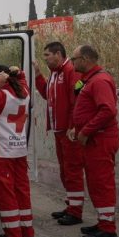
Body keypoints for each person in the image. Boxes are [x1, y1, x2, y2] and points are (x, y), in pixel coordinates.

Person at [67, 45, 119, 237]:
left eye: (74, 59)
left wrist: (86, 131)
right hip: (94, 139)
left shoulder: (99, 81)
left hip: (100, 139)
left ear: (86, 59)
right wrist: (77, 128)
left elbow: (107, 110)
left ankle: (108, 228)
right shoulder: (90, 80)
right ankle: (103, 222)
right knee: (95, 182)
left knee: (102, 183)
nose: (72, 63)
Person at [33, 42, 85, 224]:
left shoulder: (71, 71)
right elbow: (48, 95)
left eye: (47, 55)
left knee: (72, 170)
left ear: (58, 54)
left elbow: (77, 102)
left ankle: (76, 212)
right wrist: (38, 75)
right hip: (59, 131)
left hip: (68, 132)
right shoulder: (55, 74)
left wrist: (73, 126)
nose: (45, 58)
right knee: (65, 170)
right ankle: (71, 205)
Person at [0, 66, 34, 237]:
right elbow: (23, 80)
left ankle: (13, 235)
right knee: (22, 189)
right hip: (20, 150)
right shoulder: (24, 91)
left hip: (3, 151)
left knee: (5, 192)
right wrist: (19, 73)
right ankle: (27, 231)